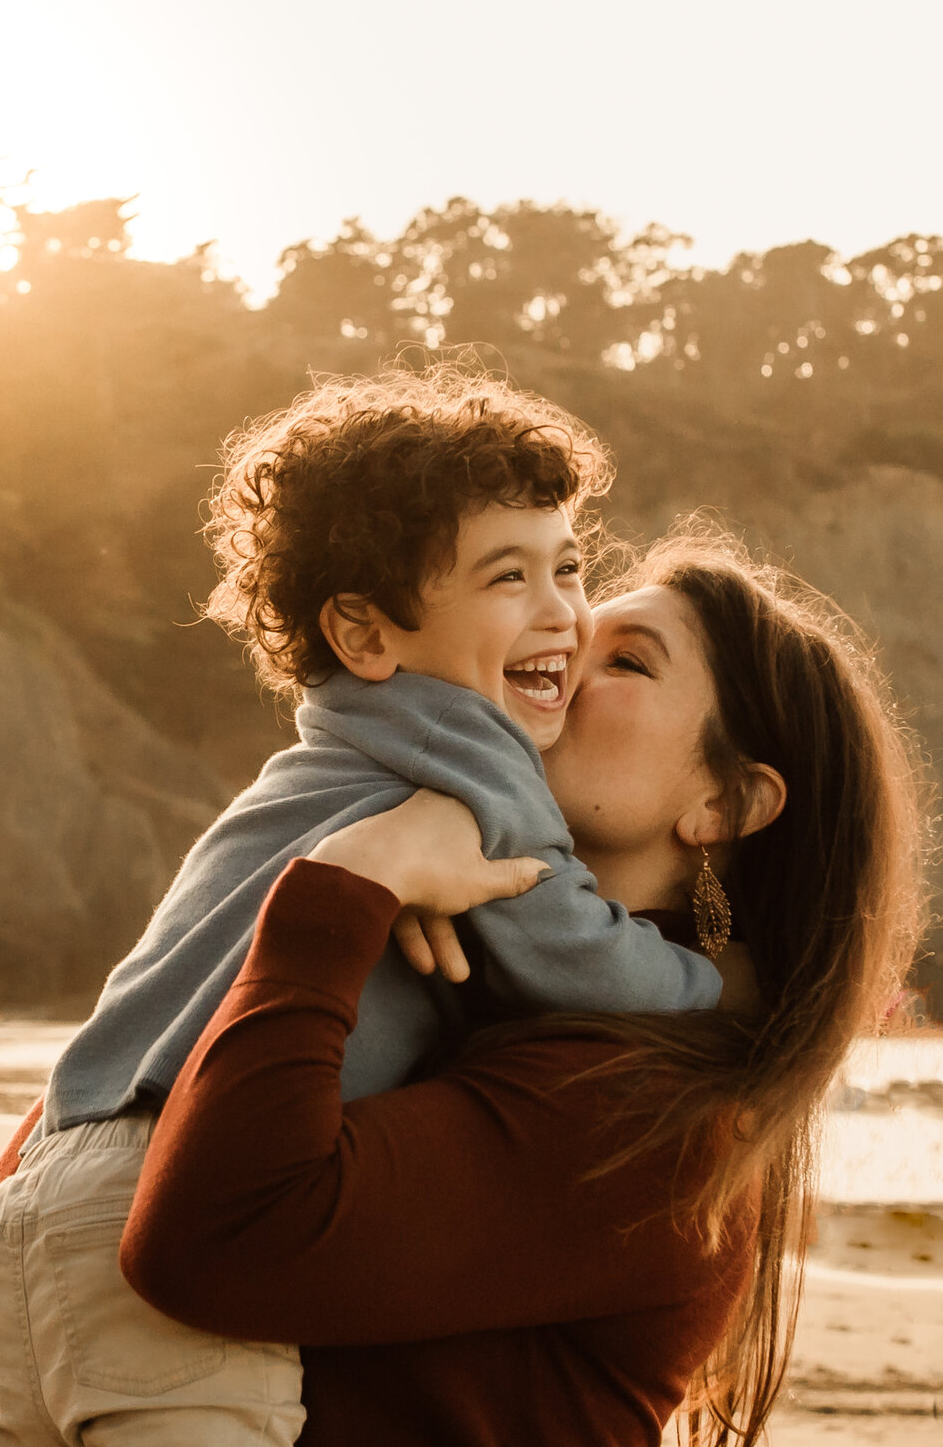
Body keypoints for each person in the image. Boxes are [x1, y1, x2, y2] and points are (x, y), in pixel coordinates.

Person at [0, 371, 727, 1442]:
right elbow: (565, 945)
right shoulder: (468, 760)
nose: (565, 616)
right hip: (167, 1209)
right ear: (365, 633)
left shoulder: (309, 771)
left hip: (39, 1190)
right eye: (509, 577)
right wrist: (709, 985)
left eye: (570, 565)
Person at [116, 530, 928, 1446]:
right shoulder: (472, 989)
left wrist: (351, 881)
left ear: (726, 806)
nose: (562, 653)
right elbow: (26, 1233)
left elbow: (209, 1239)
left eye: (626, 661)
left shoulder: (645, 1111)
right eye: (583, 626)